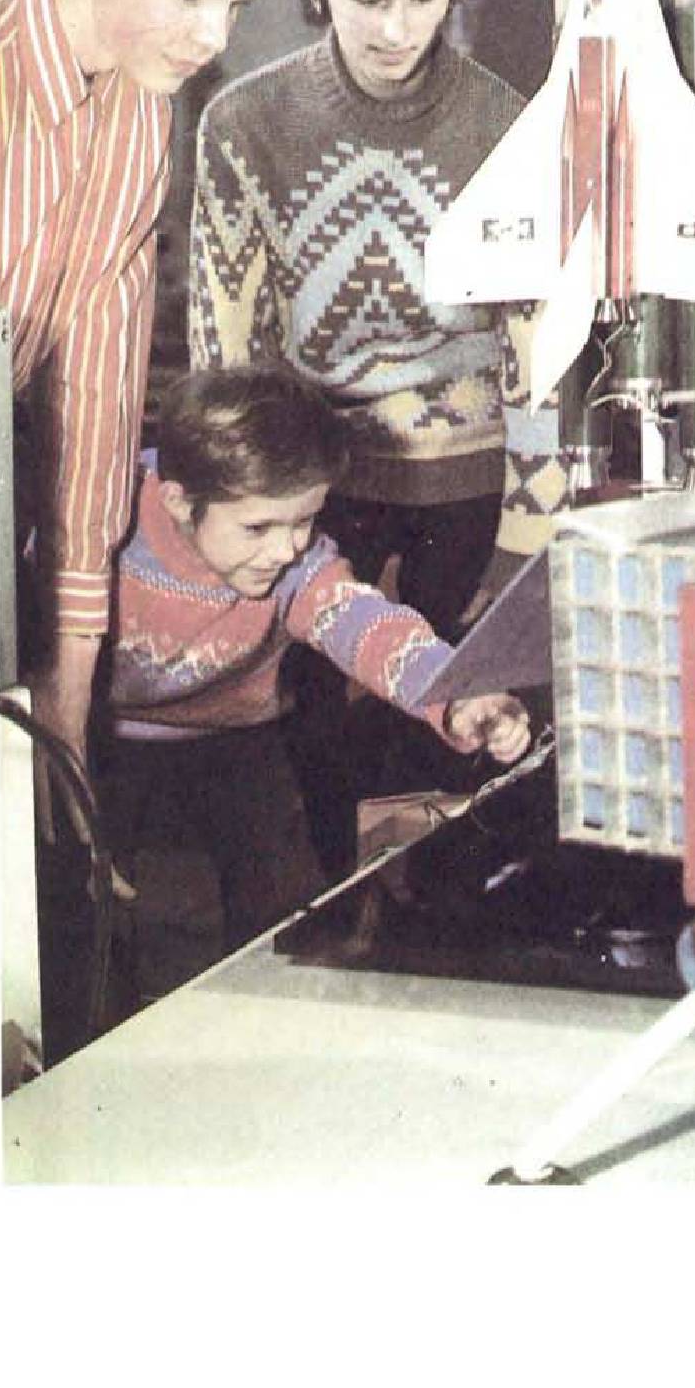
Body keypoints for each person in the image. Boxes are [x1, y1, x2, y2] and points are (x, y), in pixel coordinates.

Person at [189, 0, 562, 872]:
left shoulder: (505, 126)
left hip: (468, 480)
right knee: (305, 723)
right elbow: (224, 341)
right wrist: (236, 504)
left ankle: (448, 917)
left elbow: (538, 352)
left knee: (467, 718)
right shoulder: (244, 123)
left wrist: (529, 528)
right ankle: (335, 917)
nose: (398, 29)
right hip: (314, 476)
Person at [0, 0, 291, 791]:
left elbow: (96, 403)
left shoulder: (141, 108)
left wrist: (67, 721)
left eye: (235, 5)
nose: (212, 38)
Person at [100, 366, 530, 991]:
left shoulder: (300, 565)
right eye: (258, 528)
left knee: (287, 922)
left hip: (241, 746)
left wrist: (456, 696)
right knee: (160, 935)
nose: (285, 550)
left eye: (303, 521)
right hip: (111, 749)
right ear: (179, 502)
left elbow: (370, 628)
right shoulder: (105, 529)